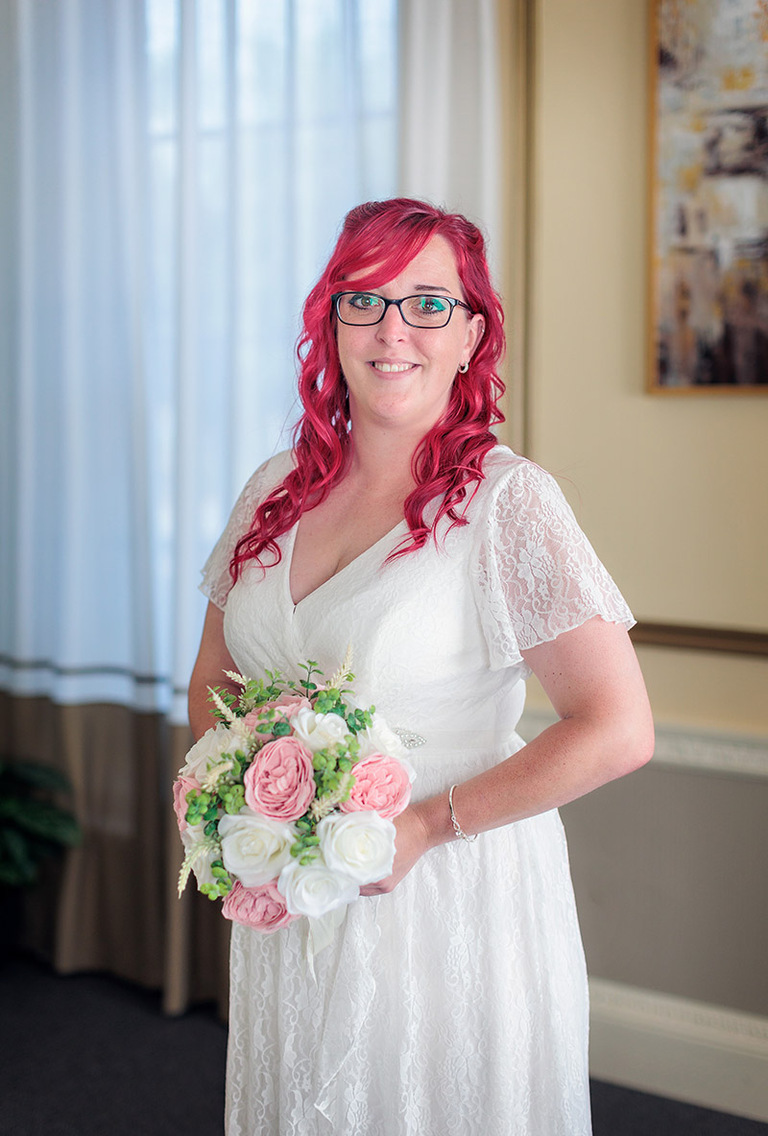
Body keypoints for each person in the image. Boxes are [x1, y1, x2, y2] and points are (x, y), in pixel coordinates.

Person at [188, 198, 654, 1136]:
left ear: (473, 331)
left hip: (448, 903)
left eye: (429, 302)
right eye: (364, 300)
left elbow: (618, 728)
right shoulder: (272, 490)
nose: (393, 328)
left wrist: (424, 826)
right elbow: (212, 681)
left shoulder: (509, 502)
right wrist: (251, 801)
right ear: (331, 322)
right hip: (295, 892)